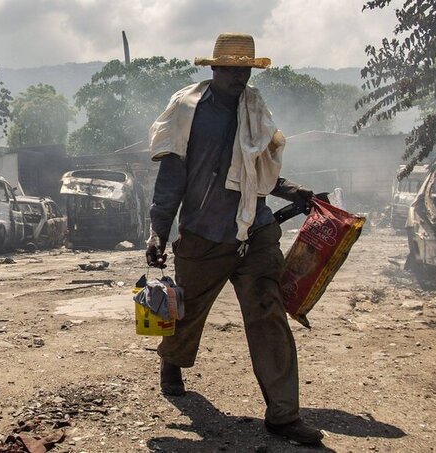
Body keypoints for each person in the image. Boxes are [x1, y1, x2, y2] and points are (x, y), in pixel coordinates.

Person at [145, 33, 324, 445]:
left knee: (269, 316)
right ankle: (172, 360)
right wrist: (158, 230)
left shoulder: (255, 108)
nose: (239, 76)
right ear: (214, 68)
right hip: (204, 235)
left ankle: (283, 414)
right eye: (231, 68)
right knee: (186, 316)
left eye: (246, 68)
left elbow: (256, 171)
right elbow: (171, 177)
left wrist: (293, 190)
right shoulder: (187, 111)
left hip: (255, 232)